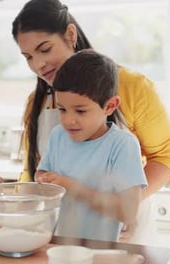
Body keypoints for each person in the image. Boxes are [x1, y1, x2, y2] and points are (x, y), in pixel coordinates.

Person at [0, 0, 170, 244]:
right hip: (65, 234)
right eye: (28, 57)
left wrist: (122, 207)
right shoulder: (35, 103)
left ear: (70, 35)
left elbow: (165, 158)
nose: (38, 65)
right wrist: (7, 201)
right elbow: (34, 171)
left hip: (123, 234)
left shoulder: (133, 87)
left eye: (45, 49)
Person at [34, 49, 147, 241]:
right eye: (62, 109)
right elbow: (42, 174)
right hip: (62, 248)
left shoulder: (122, 145)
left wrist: (70, 186)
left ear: (109, 106)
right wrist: (43, 179)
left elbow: (128, 212)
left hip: (103, 252)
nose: (69, 120)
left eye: (80, 111)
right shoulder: (58, 136)